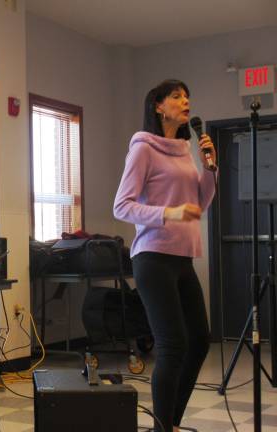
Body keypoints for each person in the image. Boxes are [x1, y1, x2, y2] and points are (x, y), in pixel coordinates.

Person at [113, 80, 216, 432]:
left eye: (188, 95)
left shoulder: (183, 149)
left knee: (199, 341)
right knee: (173, 345)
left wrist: (210, 169)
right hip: (153, 257)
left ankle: (169, 422)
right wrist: (166, 214)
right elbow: (121, 206)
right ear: (158, 105)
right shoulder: (143, 148)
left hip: (182, 258)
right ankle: (162, 428)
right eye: (176, 96)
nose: (185, 100)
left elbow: (200, 204)